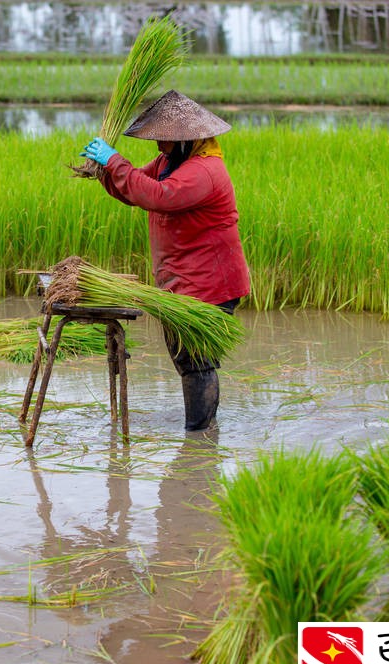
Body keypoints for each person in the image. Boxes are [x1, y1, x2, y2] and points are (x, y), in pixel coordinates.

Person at [80, 89, 250, 432]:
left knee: (196, 361)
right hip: (183, 283)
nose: (158, 146)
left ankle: (199, 436)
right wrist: (104, 171)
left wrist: (115, 161)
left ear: (188, 140)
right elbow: (135, 188)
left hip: (209, 284)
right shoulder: (171, 163)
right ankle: (202, 435)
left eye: (165, 140)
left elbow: (157, 195)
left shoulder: (204, 171)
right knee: (188, 360)